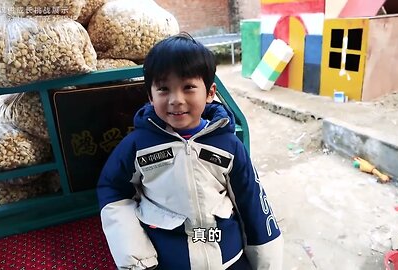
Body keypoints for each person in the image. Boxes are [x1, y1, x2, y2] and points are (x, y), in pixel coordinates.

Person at [97, 32, 283, 270]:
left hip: (228, 259)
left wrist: (266, 262)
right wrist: (136, 257)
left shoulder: (228, 145)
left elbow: (252, 202)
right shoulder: (137, 145)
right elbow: (113, 192)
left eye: (188, 87)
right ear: (150, 97)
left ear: (210, 92)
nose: (176, 99)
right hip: (167, 261)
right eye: (164, 89)